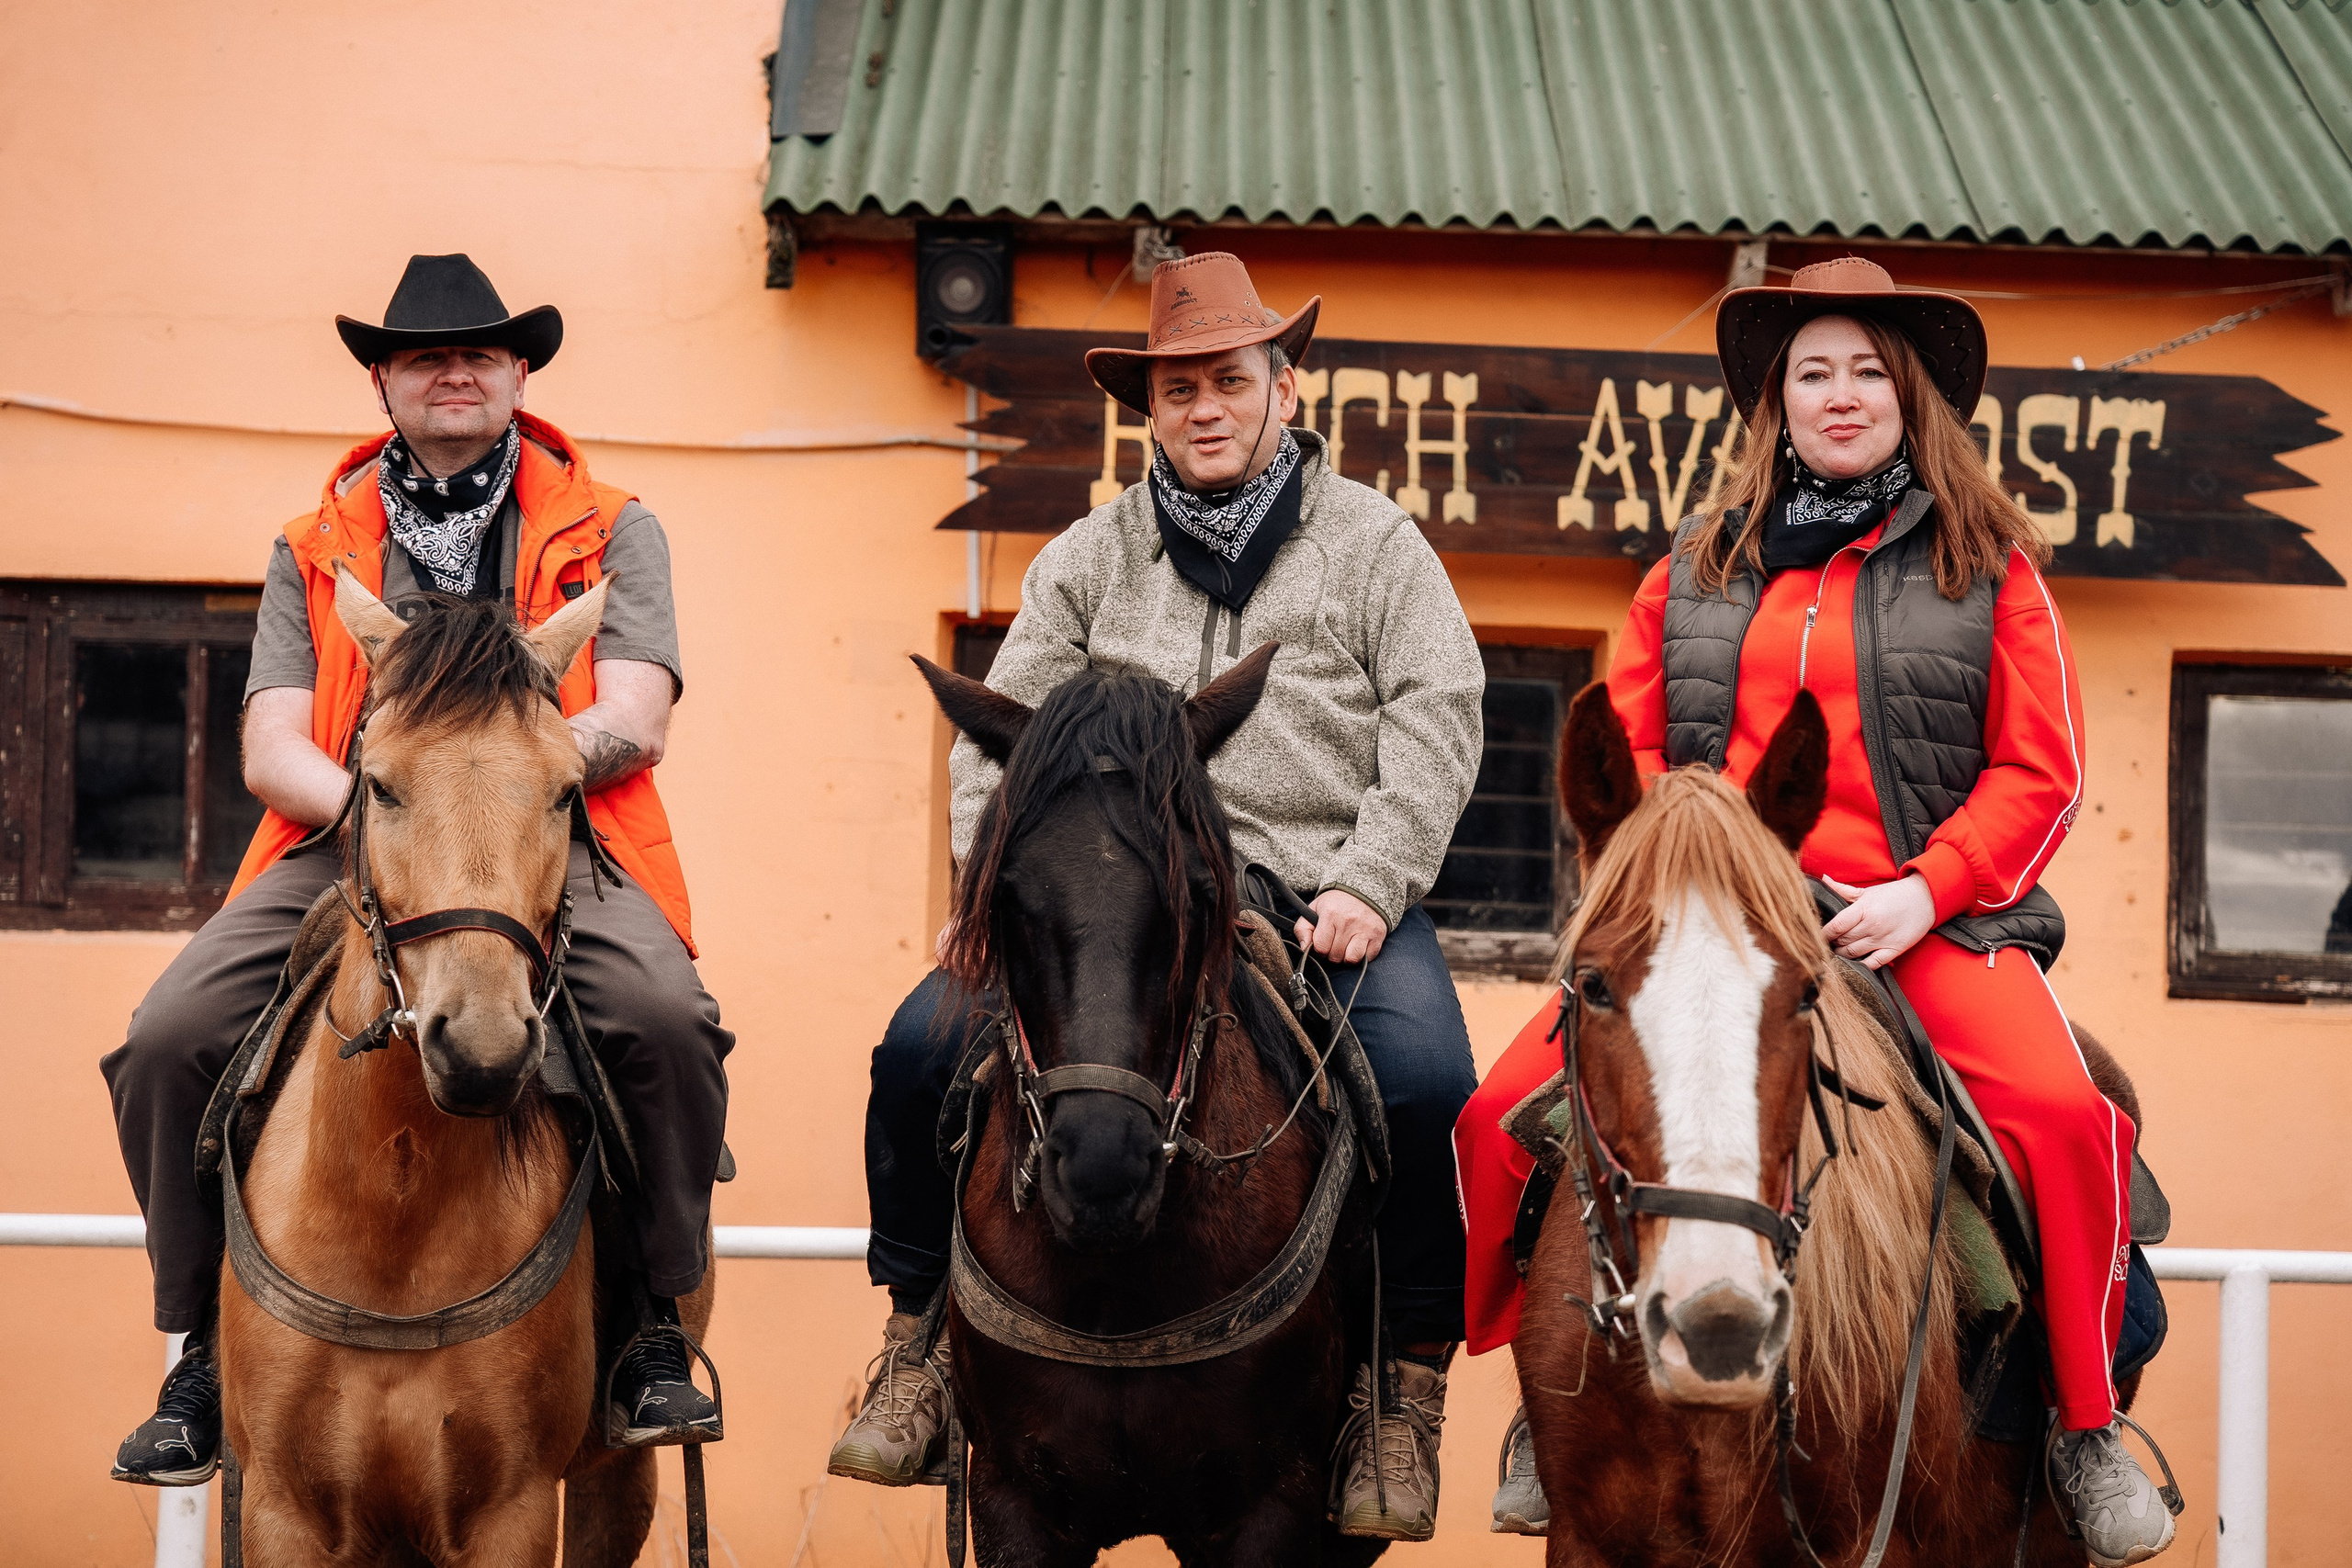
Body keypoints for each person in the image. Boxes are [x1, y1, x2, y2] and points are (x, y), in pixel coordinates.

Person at [1457, 258, 2177, 1566]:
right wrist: (1663, 894)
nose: (1840, 396)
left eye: (1866, 370)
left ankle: (2082, 1427)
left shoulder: (1991, 568)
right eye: (1812, 373)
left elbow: (2043, 772)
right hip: (1721, 933)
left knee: (2069, 1120)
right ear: (1775, 404)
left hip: (1920, 922)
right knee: (1492, 1124)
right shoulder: (1690, 572)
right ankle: (1545, 1403)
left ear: (1909, 395)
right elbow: (1621, 749)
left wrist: (1929, 891)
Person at [829, 252, 1486, 1541]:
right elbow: (997, 746)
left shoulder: (1377, 548)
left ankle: (1401, 1399)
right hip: (1103, 912)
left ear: (1282, 389)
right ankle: (913, 1350)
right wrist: (1009, 903)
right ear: (1150, 408)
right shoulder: (1087, 560)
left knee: (1426, 1085)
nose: (1203, 406)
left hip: (1318, 896)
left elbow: (1440, 717)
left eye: (1228, 379)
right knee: (914, 1052)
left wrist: (1371, 881)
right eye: (1178, 387)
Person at [103, 254, 734, 1485]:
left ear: (518, 373)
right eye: (423, 355)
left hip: (558, 839)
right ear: (383, 383)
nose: (455, 369)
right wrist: (396, 810)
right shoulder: (313, 542)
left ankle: (655, 1332)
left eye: (482, 352)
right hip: (350, 841)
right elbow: (273, 742)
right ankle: (194, 1358)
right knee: (167, 1037)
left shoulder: (617, 529)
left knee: (664, 1023)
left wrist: (498, 789)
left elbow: (640, 714)